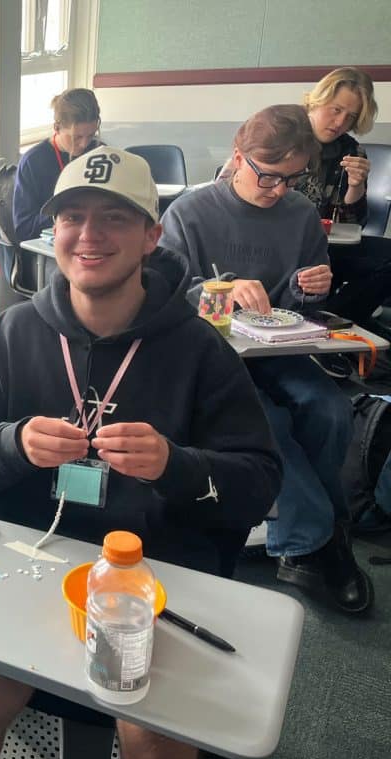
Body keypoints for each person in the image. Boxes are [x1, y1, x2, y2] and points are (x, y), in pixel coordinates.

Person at [0, 147, 282, 759]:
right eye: (72, 217)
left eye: (114, 218)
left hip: (154, 580)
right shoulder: (13, 333)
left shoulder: (201, 351)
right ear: (54, 232)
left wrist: (174, 464)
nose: (89, 235)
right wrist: (13, 443)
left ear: (152, 236)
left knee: (155, 746)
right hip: (28, 563)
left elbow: (259, 485)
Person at [160, 104, 374, 614]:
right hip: (208, 354)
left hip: (277, 348)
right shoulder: (189, 213)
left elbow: (301, 302)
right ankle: (318, 543)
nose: (280, 190)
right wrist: (220, 290)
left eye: (292, 179)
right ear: (238, 157)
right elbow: (164, 292)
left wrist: (313, 286)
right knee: (267, 420)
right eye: (269, 176)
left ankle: (308, 532)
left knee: (330, 408)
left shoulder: (300, 214)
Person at [300, 67, 391, 326]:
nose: (340, 122)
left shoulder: (351, 150)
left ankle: (332, 320)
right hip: (280, 246)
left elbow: (352, 227)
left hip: (327, 247)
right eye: (336, 110)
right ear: (318, 100)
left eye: (350, 117)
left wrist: (356, 187)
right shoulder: (284, 132)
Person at [12, 87, 102, 242]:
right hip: (52, 247)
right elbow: (24, 229)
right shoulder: (33, 162)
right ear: (56, 128)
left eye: (91, 135)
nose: (84, 144)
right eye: (76, 137)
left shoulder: (99, 152)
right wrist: (64, 212)